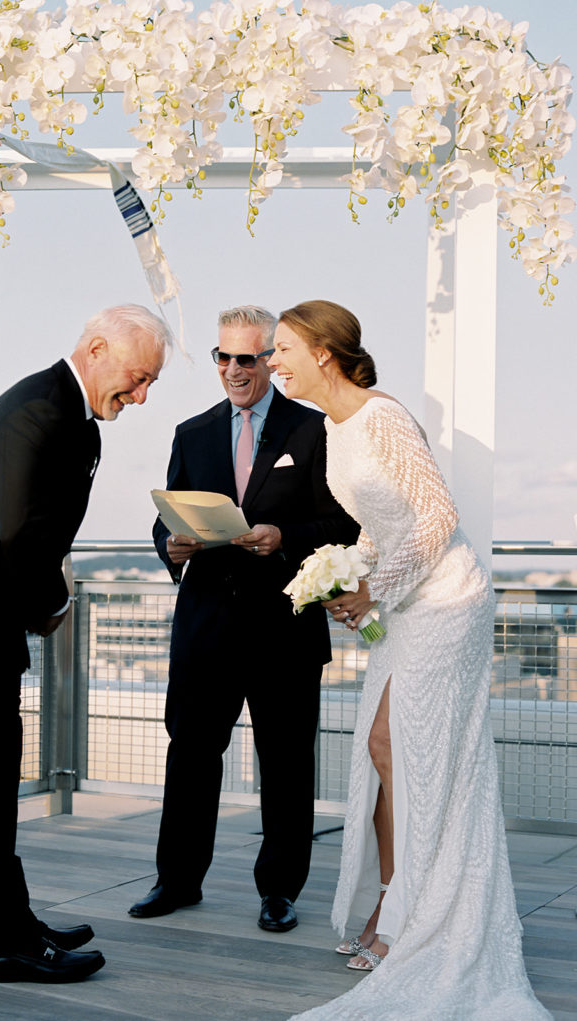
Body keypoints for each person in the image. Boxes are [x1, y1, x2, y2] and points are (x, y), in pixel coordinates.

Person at [268, 300, 550, 1019]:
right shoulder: (332, 426)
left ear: (323, 352)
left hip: (446, 600)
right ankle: (399, 908)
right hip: (399, 603)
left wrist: (372, 588)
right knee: (386, 749)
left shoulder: (383, 417)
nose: (273, 363)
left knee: (405, 751)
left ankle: (410, 919)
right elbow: (375, 524)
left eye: (281, 349)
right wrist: (341, 571)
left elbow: (435, 515)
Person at [0, 305, 169, 984]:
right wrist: (56, 602)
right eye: (137, 378)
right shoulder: (39, 409)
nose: (140, 397)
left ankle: (15, 922)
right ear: (98, 348)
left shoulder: (70, 413)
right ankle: (2, 945)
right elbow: (21, 531)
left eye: (149, 384)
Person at [128, 306, 359, 933]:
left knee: (286, 764)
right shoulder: (191, 432)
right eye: (223, 357)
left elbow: (342, 525)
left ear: (270, 360)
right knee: (191, 755)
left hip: (284, 628)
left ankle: (280, 890)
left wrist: (282, 534)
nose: (234, 370)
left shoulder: (316, 430)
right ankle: (175, 881)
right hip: (206, 627)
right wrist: (169, 546)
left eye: (248, 358)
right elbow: (167, 514)